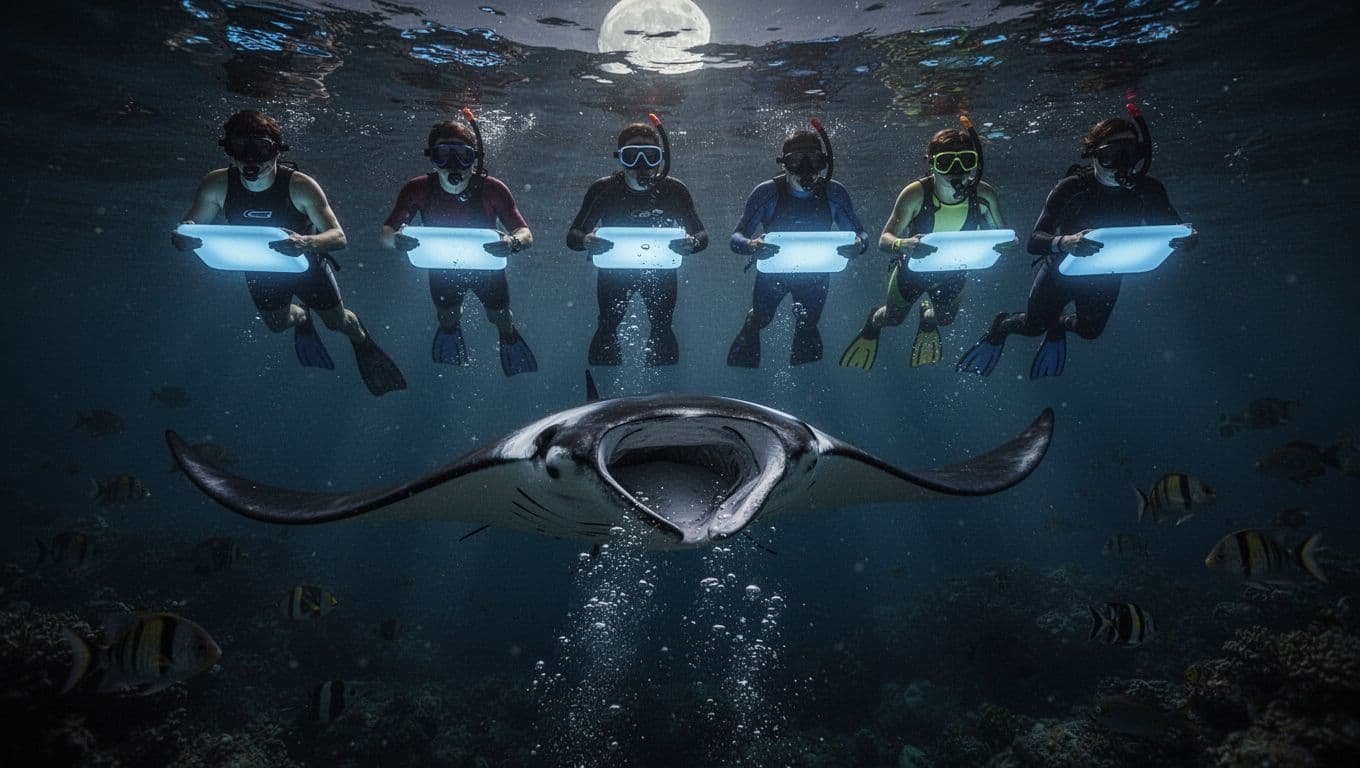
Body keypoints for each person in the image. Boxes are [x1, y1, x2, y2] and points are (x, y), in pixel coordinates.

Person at [170, 110, 406, 396]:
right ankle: (302, 317)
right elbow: (191, 228)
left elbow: (339, 237)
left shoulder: (300, 185)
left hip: (308, 267)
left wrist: (305, 243)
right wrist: (184, 237)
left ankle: (361, 340)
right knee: (277, 325)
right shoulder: (217, 184)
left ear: (277, 151)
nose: (251, 159)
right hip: (261, 268)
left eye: (260, 149)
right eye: (240, 148)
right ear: (228, 149)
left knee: (336, 323)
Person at [956, 105, 1196, 378]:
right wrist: (1066, 242)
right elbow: (1034, 241)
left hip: (1106, 274)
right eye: (1111, 156)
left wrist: (1187, 239)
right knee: (1034, 327)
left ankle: (1059, 326)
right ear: (1093, 156)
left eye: (1129, 154)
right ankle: (1001, 326)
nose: (1122, 164)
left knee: (1089, 332)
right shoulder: (1071, 188)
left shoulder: (1148, 190)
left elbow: (1174, 230)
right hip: (1060, 273)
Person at [840, 118, 1016, 370]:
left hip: (955, 272)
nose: (956, 169)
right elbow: (884, 240)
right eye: (946, 161)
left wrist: (1009, 245)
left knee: (944, 320)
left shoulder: (984, 195)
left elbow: (1004, 236)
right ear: (932, 164)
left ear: (974, 164)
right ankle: (872, 323)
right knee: (893, 318)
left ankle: (927, 316)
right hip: (911, 272)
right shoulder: (915, 193)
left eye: (964, 161)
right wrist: (904, 244)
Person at [380, 111, 537, 377]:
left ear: (474, 158)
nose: (454, 164)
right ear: (432, 157)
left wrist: (513, 242)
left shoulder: (493, 189)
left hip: (487, 268)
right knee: (447, 318)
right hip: (442, 267)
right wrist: (396, 241)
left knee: (499, 317)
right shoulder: (417, 189)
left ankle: (508, 337)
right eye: (444, 155)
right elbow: (386, 231)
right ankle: (451, 333)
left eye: (462, 155)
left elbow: (525, 233)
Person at [566, 115, 707, 367]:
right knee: (609, 323)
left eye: (649, 156)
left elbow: (701, 235)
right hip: (615, 273)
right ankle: (606, 379)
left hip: (660, 271)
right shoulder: (603, 190)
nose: (641, 164)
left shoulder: (675, 191)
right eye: (632, 156)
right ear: (620, 158)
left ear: (660, 159)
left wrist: (691, 244)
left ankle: (661, 385)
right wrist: (587, 239)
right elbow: (573, 236)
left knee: (662, 325)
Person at [727, 123, 868, 367]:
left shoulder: (834, 193)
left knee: (808, 323)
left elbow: (861, 234)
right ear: (784, 164)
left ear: (823, 162)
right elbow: (736, 238)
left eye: (812, 160)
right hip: (773, 275)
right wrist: (751, 245)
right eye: (797, 161)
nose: (805, 168)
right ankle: (752, 326)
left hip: (815, 275)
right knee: (762, 318)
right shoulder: (767, 193)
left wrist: (858, 244)